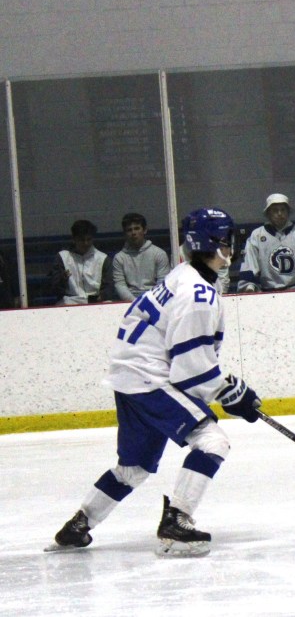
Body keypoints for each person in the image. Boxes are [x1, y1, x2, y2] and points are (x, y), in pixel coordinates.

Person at [47, 208, 264, 558]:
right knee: (212, 441)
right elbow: (190, 370)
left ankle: (78, 525)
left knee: (133, 469)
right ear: (214, 244)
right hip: (149, 377)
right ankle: (177, 520)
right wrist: (232, 393)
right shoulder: (197, 293)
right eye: (227, 240)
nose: (231, 247)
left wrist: (227, 392)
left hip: (130, 375)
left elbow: (187, 362)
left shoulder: (183, 274)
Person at [238, 194, 295, 292]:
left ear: (288, 212)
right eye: (275, 210)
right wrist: (249, 286)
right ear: (268, 213)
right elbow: (250, 264)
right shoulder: (257, 235)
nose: (280, 213)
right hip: (267, 291)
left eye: (283, 210)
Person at [48, 219, 114, 305]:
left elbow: (109, 287)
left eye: (89, 239)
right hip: (70, 301)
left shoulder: (103, 258)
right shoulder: (62, 257)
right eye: (82, 240)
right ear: (74, 239)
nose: (86, 243)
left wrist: (98, 298)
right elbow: (55, 288)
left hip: (96, 301)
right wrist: (63, 279)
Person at [111, 212, 171, 302]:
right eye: (129, 230)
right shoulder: (119, 258)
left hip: (154, 300)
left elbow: (163, 282)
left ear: (145, 230)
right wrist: (135, 302)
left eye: (137, 228)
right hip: (129, 302)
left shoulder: (159, 254)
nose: (133, 233)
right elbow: (120, 285)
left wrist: (151, 302)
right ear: (125, 233)